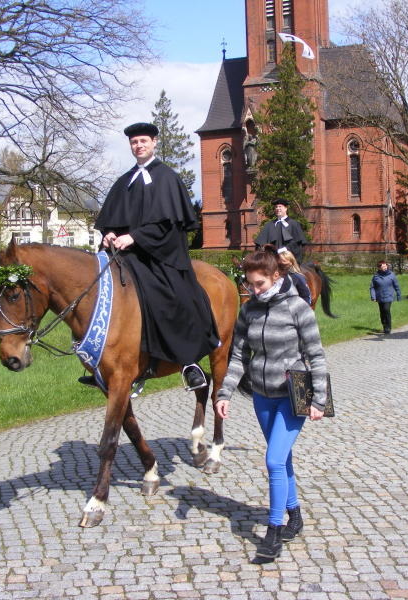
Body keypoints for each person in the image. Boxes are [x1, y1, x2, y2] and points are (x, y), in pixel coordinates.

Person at [215, 245, 327, 564]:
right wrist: (224, 393)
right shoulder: (249, 310)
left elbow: (316, 355)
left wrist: (318, 398)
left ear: (276, 276)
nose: (254, 290)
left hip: (296, 393)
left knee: (274, 460)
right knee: (283, 459)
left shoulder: (298, 308)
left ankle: (274, 531)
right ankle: (295, 515)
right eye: (250, 284)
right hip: (262, 396)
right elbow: (237, 356)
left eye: (260, 284)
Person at [94, 122, 220, 391]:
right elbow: (110, 219)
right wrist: (110, 234)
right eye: (134, 142)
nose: (138, 146)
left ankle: (188, 362)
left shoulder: (166, 178)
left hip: (160, 256)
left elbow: (169, 225)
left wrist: (136, 237)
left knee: (174, 296)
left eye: (143, 141)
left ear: (154, 143)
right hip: (125, 257)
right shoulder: (124, 181)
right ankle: (104, 364)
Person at [254, 199, 307, 265]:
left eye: (280, 206)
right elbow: (260, 244)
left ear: (286, 208)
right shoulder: (269, 225)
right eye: (276, 207)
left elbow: (298, 243)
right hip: (272, 259)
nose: (277, 208)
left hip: (289, 258)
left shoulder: (293, 224)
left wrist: (285, 249)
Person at [370, 259, 401, 334]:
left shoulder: (391, 275)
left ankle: (388, 327)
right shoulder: (376, 276)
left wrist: (398, 295)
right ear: (379, 268)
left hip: (389, 296)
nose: (385, 267)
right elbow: (372, 287)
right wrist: (373, 297)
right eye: (382, 266)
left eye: (385, 265)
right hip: (379, 297)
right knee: (382, 312)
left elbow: (396, 285)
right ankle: (384, 325)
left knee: (386, 309)